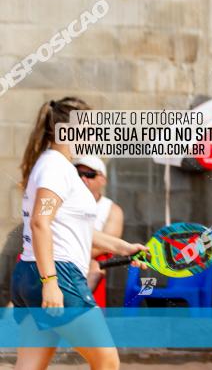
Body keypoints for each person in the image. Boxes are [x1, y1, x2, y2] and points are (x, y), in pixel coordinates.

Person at [12, 97, 148, 370]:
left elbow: (72, 226)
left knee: (29, 366)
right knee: (107, 362)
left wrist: (123, 247)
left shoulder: (53, 165)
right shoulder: (56, 168)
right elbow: (40, 221)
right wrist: (50, 282)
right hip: (56, 275)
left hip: (31, 274)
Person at [73, 155, 123, 301]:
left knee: (96, 265)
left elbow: (108, 245)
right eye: (78, 174)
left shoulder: (112, 209)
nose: (83, 179)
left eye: (89, 174)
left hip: (89, 258)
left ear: (103, 180)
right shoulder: (63, 201)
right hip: (61, 256)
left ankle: (76, 308)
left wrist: (75, 256)